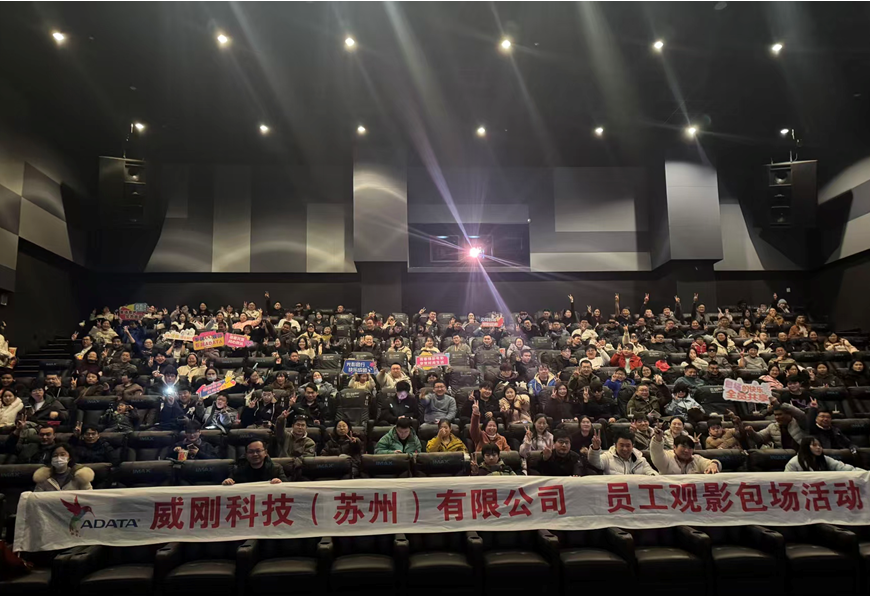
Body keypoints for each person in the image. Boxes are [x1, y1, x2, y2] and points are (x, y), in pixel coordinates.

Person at [588, 430, 657, 475]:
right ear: (615, 445)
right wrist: (595, 449)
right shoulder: (608, 457)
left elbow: (651, 472)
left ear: (632, 446)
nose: (625, 449)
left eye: (628, 446)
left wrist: (654, 476)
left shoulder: (640, 460)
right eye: (621, 445)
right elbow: (595, 462)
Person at [650, 430, 721, 474]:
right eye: (683, 447)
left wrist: (714, 464)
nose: (686, 450)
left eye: (690, 448)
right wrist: (658, 440)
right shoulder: (666, 458)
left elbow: (712, 462)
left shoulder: (696, 459)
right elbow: (657, 452)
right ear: (674, 447)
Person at [222, 439, 287, 485]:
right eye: (251, 452)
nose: (255, 454)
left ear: (265, 453)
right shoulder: (238, 470)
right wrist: (227, 482)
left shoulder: (276, 469)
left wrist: (280, 483)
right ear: (246, 454)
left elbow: (287, 487)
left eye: (258, 451)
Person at [785, 437, 865, 472]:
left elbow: (842, 467)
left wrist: (864, 473)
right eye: (814, 445)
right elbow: (786, 480)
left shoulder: (825, 459)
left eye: (820, 445)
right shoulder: (794, 462)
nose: (818, 447)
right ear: (805, 447)